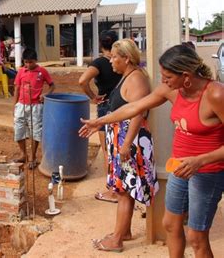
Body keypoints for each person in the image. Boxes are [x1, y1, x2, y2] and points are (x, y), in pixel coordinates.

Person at [79, 44, 224, 257]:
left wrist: (200, 161)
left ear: (186, 76)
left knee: (196, 237)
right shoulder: (172, 90)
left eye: (167, 77)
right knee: (170, 225)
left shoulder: (216, 94)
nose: (163, 82)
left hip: (208, 171)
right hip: (179, 168)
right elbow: (134, 107)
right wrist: (99, 122)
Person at [83, 39, 159, 252]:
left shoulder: (136, 80)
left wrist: (125, 145)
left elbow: (137, 113)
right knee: (124, 188)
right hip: (123, 140)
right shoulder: (127, 76)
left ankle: (117, 240)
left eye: (115, 57)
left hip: (129, 142)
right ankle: (124, 231)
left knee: (125, 191)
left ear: (126, 58)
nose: (111, 61)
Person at [79, 30, 122, 203]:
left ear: (100, 44)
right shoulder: (123, 62)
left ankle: (113, 190)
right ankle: (122, 186)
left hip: (106, 108)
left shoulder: (100, 63)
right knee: (120, 147)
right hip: (123, 107)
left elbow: (82, 81)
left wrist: (93, 97)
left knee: (108, 151)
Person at [13, 48, 55, 169]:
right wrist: (14, 106)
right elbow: (16, 89)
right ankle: (23, 154)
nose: (28, 65)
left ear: (36, 60)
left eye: (31, 62)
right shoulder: (21, 71)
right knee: (19, 129)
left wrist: (46, 94)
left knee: (35, 131)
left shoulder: (42, 71)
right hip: (21, 105)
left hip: (36, 106)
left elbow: (52, 86)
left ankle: (33, 157)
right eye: (26, 62)